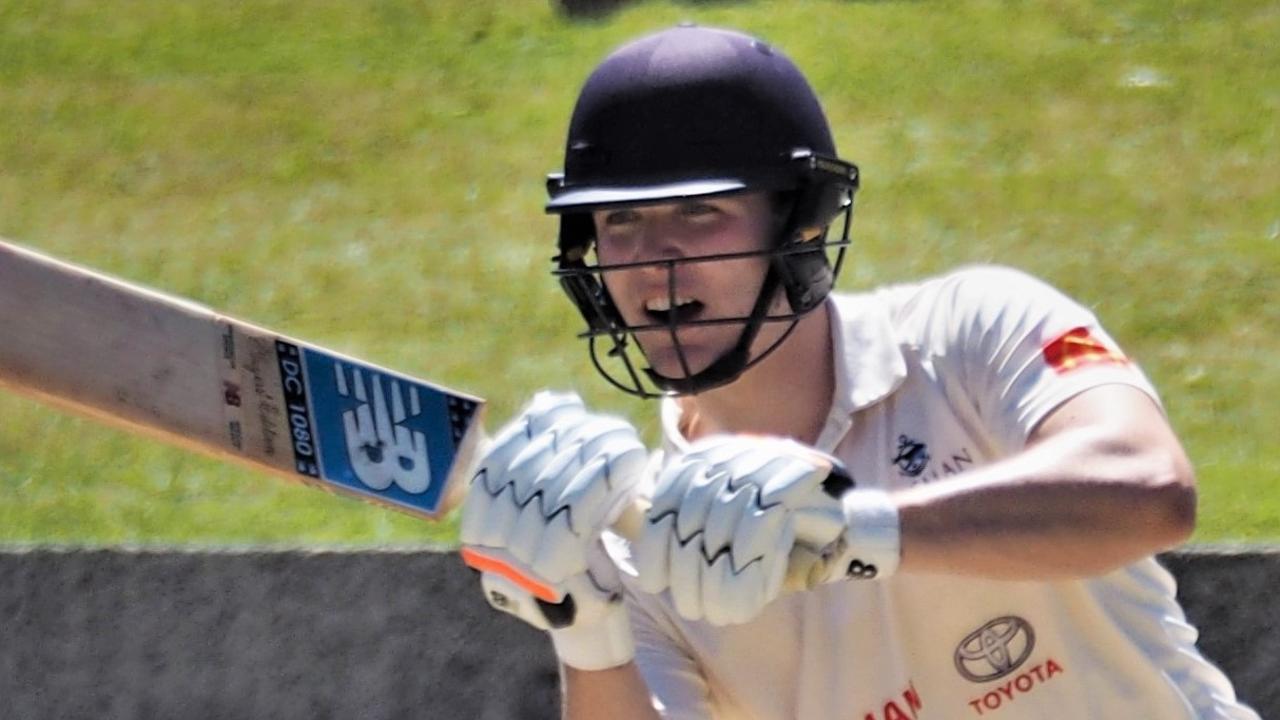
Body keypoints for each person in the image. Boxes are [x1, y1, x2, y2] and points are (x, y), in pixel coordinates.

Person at [459, 24, 1259, 720]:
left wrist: (860, 531)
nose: (651, 261)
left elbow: (1151, 488)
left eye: (699, 212)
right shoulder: (641, 551)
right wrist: (589, 637)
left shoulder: (971, 330)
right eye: (621, 221)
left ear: (801, 225)